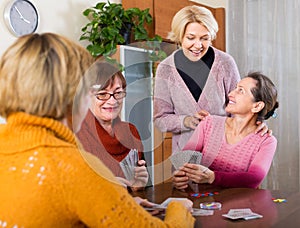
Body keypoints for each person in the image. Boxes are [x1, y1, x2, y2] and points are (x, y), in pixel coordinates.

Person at [0, 33, 195, 227]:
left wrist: (120, 205)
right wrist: (179, 209)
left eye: (118, 93)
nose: (111, 100)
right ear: (74, 95)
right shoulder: (76, 166)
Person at [153, 5, 268, 154]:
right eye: (191, 38)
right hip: (184, 156)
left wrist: (256, 123)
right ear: (180, 36)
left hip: (223, 151)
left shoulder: (225, 63)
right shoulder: (166, 69)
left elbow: (242, 106)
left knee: (220, 178)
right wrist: (186, 121)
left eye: (204, 38)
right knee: (185, 178)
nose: (198, 45)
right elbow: (160, 120)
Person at [173, 72, 279, 189]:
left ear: (257, 106)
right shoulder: (208, 123)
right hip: (204, 202)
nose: (230, 94)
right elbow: (184, 159)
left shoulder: (266, 141)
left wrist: (212, 177)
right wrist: (181, 177)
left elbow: (254, 178)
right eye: (235, 88)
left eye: (240, 91)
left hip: (241, 204)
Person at [76, 61, 149, 191]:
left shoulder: (131, 131)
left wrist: (138, 185)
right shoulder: (76, 135)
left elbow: (139, 188)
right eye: (102, 94)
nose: (112, 101)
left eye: (118, 93)